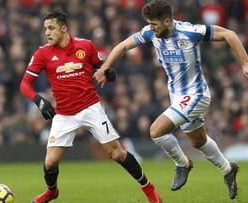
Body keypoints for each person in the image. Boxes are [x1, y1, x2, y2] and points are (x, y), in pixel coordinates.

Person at [94, 0, 248, 200]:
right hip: (178, 96)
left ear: (167, 21)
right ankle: (228, 169)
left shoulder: (190, 31)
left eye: (154, 24)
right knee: (199, 141)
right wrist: (105, 67)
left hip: (197, 94)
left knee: (156, 132)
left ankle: (182, 164)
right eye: (149, 24)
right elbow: (123, 46)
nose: (151, 28)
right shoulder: (150, 32)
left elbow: (229, 34)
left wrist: (245, 63)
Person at [20, 9, 163, 203]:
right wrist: (39, 101)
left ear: (64, 28)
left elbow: (102, 67)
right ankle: (52, 192)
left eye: (51, 28)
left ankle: (149, 188)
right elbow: (25, 84)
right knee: (51, 161)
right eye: (45, 28)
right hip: (64, 113)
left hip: (90, 107)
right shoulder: (43, 53)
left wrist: (109, 74)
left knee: (117, 153)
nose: (47, 33)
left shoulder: (85, 46)